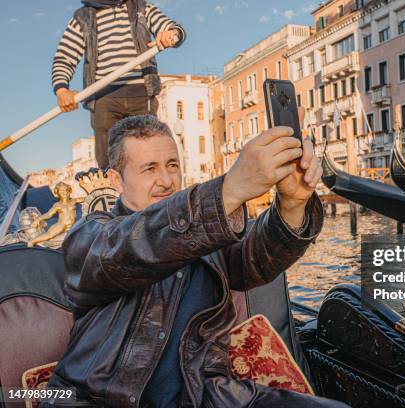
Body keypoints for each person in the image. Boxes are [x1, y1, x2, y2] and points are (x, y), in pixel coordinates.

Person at [43, 115, 349, 408]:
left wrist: (292, 205)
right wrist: (229, 190)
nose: (165, 180)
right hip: (102, 400)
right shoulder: (92, 237)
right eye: (149, 169)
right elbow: (131, 246)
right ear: (116, 181)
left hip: (207, 395)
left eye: (172, 165)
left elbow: (257, 258)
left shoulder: (207, 237)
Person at [52, 0, 185, 169]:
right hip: (104, 99)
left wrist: (170, 33)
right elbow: (64, 57)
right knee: (109, 161)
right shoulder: (83, 17)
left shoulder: (141, 8)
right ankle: (112, 191)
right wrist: (62, 90)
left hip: (141, 95)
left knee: (149, 154)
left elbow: (175, 30)